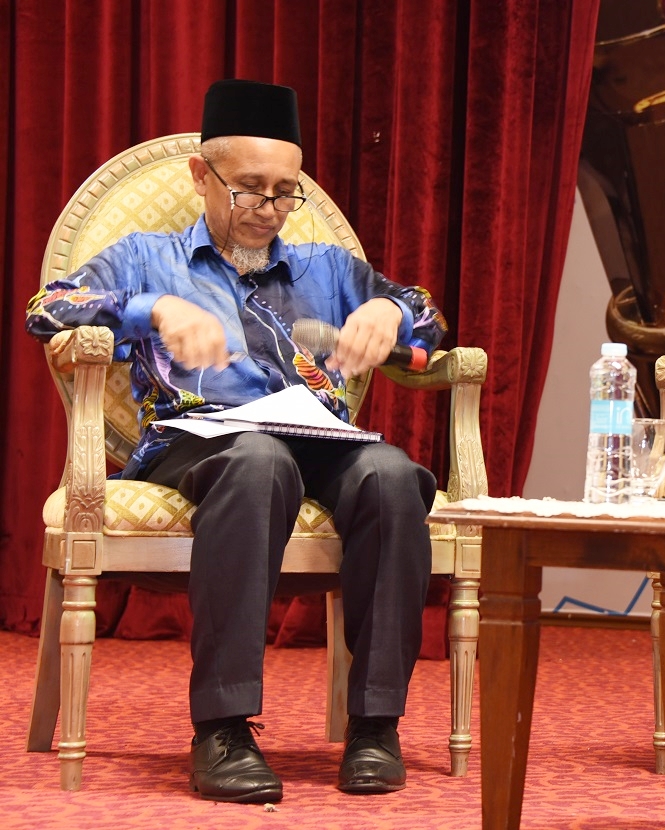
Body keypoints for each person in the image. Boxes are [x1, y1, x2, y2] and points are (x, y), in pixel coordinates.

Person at [26, 79, 449, 803]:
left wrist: (389, 311)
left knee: (390, 473)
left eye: (285, 193)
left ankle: (375, 725)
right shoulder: (147, 257)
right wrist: (152, 308)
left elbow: (428, 318)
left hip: (318, 437)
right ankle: (222, 728)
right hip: (202, 441)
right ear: (201, 175)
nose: (269, 209)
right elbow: (49, 308)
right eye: (251, 189)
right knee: (259, 461)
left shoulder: (325, 267)